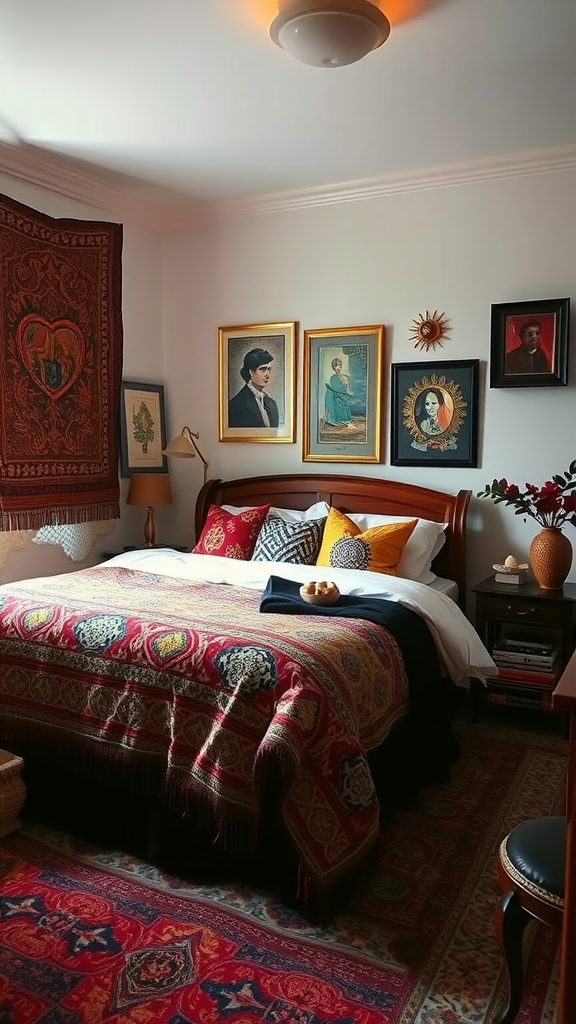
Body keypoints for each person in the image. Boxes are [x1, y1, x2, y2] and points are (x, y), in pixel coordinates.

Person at [228, 348, 279, 428]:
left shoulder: (272, 404)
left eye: (269, 369)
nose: (267, 374)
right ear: (251, 372)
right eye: (263, 369)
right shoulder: (236, 405)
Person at [324, 357, 353, 428]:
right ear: (333, 367)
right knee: (340, 404)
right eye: (336, 366)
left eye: (339, 365)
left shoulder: (345, 376)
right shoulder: (333, 378)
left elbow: (346, 388)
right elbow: (336, 389)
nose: (338, 367)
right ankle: (344, 421)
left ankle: (347, 421)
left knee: (346, 405)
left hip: (344, 395)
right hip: (337, 396)